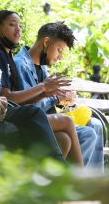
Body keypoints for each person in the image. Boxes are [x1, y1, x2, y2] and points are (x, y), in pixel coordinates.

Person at [0, 10, 84, 166]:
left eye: (20, 26)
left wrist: (44, 93)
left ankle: (47, 185)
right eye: (12, 25)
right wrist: (43, 88)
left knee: (63, 139)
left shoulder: (7, 54)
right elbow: (6, 98)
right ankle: (80, 180)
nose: (18, 29)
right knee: (67, 121)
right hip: (3, 115)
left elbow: (17, 98)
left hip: (19, 113)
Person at [0, 20, 65, 163]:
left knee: (43, 122)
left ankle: (57, 173)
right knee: (45, 118)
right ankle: (62, 173)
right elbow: (5, 96)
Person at [14, 21, 104, 169]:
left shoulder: (42, 66)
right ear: (46, 41)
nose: (60, 57)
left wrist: (62, 98)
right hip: (36, 124)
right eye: (59, 50)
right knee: (88, 134)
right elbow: (29, 107)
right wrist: (56, 98)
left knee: (96, 125)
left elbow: (46, 97)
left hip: (49, 121)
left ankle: (93, 183)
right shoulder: (20, 64)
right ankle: (81, 183)